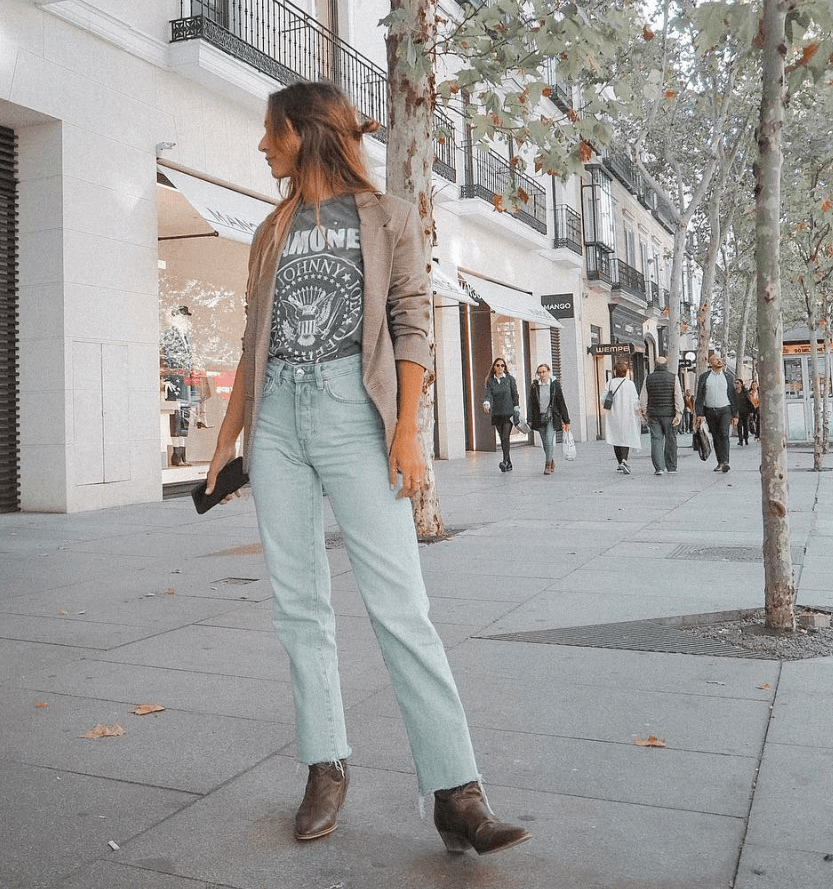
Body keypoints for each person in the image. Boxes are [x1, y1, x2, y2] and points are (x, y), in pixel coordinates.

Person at [204, 81, 529, 856]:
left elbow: (411, 319)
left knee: (401, 606)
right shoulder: (270, 229)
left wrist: (407, 433)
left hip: (356, 413)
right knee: (298, 605)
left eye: (270, 133)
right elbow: (257, 336)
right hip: (277, 417)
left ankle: (457, 790)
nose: (262, 147)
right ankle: (325, 764)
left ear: (304, 133)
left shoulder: (384, 218)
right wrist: (228, 438)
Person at [694, 352, 739, 473]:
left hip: (725, 409)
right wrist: (699, 414)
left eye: (720, 359)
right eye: (716, 360)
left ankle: (725, 462)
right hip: (709, 410)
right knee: (716, 436)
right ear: (710, 363)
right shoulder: (704, 377)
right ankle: (720, 462)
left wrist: (735, 414)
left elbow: (733, 396)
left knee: (724, 434)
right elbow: (699, 396)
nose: (719, 361)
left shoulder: (728, 377)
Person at [639, 356, 684, 475]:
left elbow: (643, 398)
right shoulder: (673, 378)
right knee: (671, 439)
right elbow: (678, 396)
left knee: (656, 440)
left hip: (653, 414)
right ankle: (671, 466)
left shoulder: (648, 378)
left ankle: (659, 467)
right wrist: (678, 413)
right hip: (669, 414)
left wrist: (645, 413)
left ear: (655, 364)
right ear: (666, 365)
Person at [528, 362, 571, 475]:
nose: (542, 374)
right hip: (539, 418)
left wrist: (566, 420)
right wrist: (530, 419)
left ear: (548, 372)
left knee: (548, 440)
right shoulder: (535, 386)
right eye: (540, 372)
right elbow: (531, 404)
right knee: (544, 442)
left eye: (544, 372)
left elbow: (561, 402)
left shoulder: (554, 385)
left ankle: (547, 464)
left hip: (552, 417)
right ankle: (551, 460)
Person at [482, 357, 520, 472]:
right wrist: (486, 403)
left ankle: (505, 461)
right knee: (502, 439)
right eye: (497, 365)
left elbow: (515, 394)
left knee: (505, 437)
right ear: (494, 367)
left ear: (505, 367)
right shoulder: (490, 381)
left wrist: (516, 407)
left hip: (508, 414)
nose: (500, 367)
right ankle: (508, 462)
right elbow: (488, 394)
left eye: (502, 365)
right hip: (497, 414)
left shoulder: (509, 379)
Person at [603, 360, 641, 474]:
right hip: (627, 415)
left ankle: (620, 462)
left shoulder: (610, 383)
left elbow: (603, 399)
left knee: (616, 438)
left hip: (614, 415)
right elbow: (635, 401)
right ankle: (624, 461)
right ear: (625, 372)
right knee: (626, 438)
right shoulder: (630, 384)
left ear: (615, 371)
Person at [735, 378, 754, 446]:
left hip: (745, 411)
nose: (736, 384)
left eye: (738, 383)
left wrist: (751, 409)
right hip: (737, 412)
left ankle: (746, 439)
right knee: (739, 425)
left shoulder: (745, 392)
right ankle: (740, 440)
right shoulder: (734, 392)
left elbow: (749, 400)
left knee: (745, 425)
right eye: (735, 383)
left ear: (741, 384)